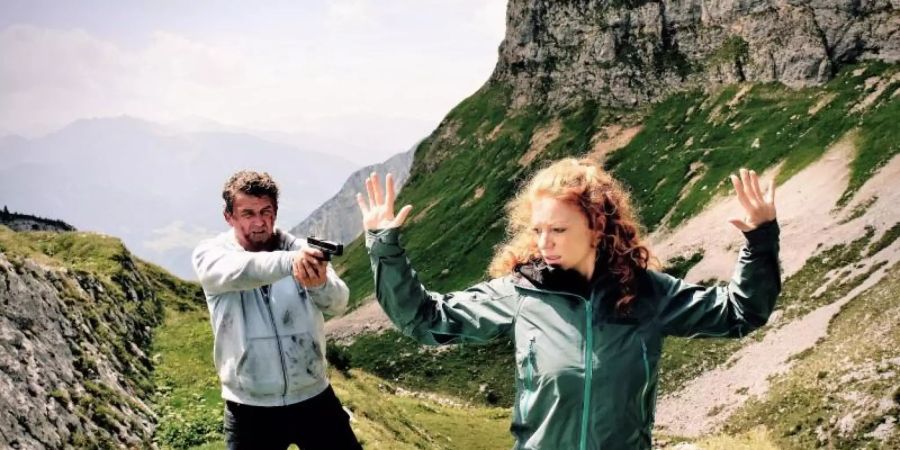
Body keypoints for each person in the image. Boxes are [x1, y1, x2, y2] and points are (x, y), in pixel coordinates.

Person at [357, 159, 780, 450]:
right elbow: (427, 320)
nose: (544, 243)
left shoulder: (650, 294)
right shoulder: (521, 293)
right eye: (538, 229)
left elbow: (740, 313)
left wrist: (760, 240)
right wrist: (384, 246)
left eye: (558, 229)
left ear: (597, 226)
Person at [192, 170, 362, 450]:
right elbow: (244, 270)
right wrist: (291, 263)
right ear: (229, 217)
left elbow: (339, 302)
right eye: (248, 213)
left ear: (276, 212)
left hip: (315, 397)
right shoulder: (210, 255)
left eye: (266, 211)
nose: (259, 222)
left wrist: (319, 284)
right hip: (249, 407)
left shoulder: (300, 250)